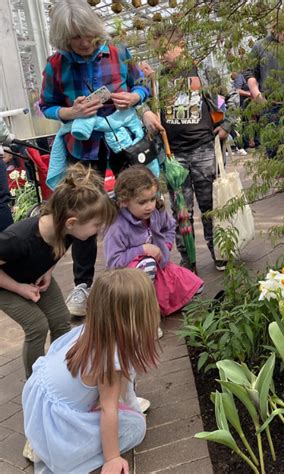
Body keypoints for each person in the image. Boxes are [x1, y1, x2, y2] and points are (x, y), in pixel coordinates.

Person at [40, 0, 149, 316]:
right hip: (83, 146)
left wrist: (135, 96)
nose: (85, 43)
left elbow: (143, 86)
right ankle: (83, 287)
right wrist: (69, 112)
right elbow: (45, 105)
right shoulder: (56, 65)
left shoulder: (117, 52)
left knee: (134, 200)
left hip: (122, 140)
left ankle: (140, 268)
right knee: (82, 213)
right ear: (64, 38)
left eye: (88, 35)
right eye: (76, 38)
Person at [22, 268, 159, 474]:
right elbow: (107, 408)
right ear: (136, 316)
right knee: (136, 427)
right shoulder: (110, 357)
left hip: (40, 403)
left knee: (116, 405)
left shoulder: (91, 330)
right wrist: (112, 458)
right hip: (58, 423)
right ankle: (53, 447)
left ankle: (41, 438)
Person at [0, 164, 116, 379]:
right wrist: (19, 288)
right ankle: (36, 382)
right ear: (72, 222)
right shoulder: (18, 239)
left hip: (35, 276)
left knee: (60, 319)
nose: (98, 231)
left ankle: (59, 373)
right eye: (96, 225)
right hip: (6, 284)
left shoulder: (68, 230)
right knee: (37, 326)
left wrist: (48, 271)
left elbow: (55, 251)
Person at [141, 25, 239, 271]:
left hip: (205, 149)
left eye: (166, 49)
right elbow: (145, 107)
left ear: (181, 45)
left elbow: (229, 97)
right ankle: (189, 260)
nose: (162, 55)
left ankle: (219, 252)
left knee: (211, 207)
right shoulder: (158, 81)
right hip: (174, 156)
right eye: (158, 51)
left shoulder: (203, 73)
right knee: (181, 211)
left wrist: (227, 124)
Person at [104, 165, 203, 321]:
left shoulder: (156, 211)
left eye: (152, 198)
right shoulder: (117, 227)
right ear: (124, 201)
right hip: (129, 279)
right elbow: (114, 263)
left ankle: (159, 306)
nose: (149, 205)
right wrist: (142, 249)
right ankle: (144, 317)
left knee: (196, 286)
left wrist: (165, 247)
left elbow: (170, 227)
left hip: (160, 268)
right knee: (148, 264)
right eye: (142, 202)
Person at [243, 10, 284, 158]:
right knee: (273, 149)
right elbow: (249, 72)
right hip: (270, 105)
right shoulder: (260, 47)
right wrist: (256, 93)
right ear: (275, 28)